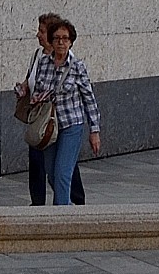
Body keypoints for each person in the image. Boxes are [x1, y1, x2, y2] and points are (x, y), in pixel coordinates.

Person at [23, 17, 101, 204]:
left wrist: (94, 130)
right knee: (51, 173)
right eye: (57, 38)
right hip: (48, 127)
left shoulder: (77, 66)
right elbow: (40, 89)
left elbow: (88, 98)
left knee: (62, 175)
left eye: (65, 38)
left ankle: (61, 220)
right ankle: (64, 209)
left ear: (71, 41)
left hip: (71, 124)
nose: (61, 42)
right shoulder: (43, 63)